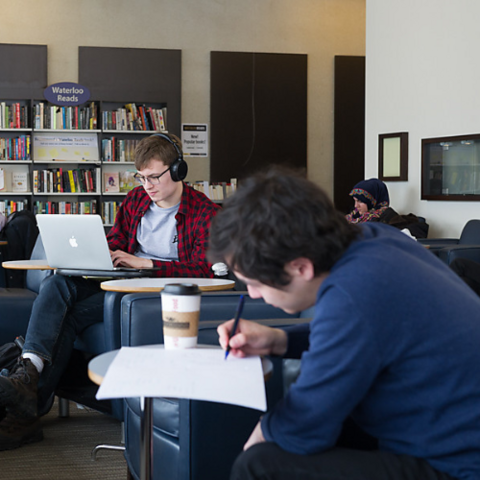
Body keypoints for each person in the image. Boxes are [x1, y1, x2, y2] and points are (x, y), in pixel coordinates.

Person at [208, 167, 480, 480]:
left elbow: (303, 430)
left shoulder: (354, 292)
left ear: (300, 268)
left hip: (458, 466)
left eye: (254, 283)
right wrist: (280, 340)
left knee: (256, 465)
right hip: (444, 432)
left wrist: (261, 434)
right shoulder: (374, 238)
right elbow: (366, 332)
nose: (253, 295)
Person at [0, 133, 220, 450]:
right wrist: (99, 254)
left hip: (156, 297)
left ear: (177, 171)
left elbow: (204, 268)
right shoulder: (135, 201)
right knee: (57, 284)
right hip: (120, 286)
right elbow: (116, 240)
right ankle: (29, 374)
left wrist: (146, 264)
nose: (148, 185)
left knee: (68, 316)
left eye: (155, 177)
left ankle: (26, 411)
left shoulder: (204, 212)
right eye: (142, 177)